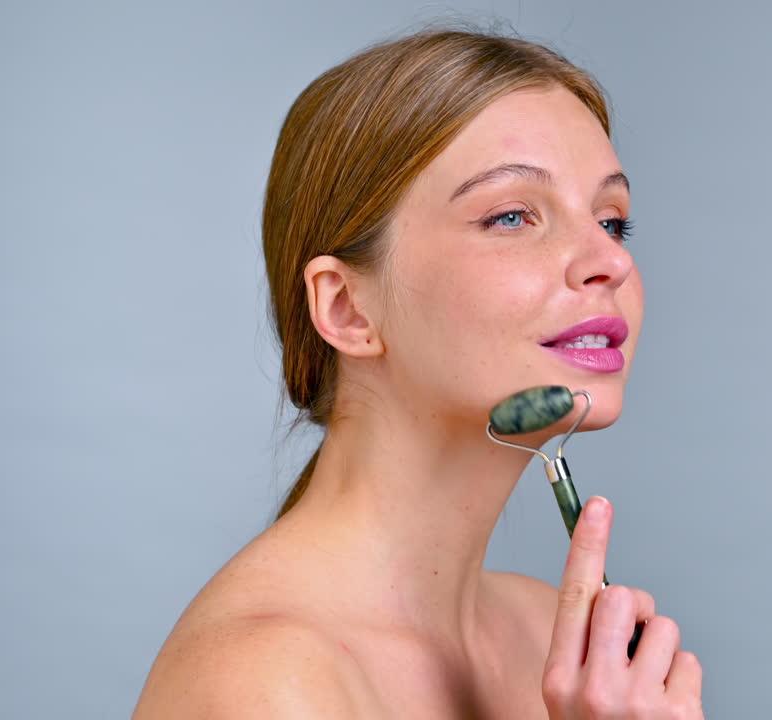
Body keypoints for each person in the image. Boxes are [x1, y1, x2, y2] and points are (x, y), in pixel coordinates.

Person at [133, 27, 703, 719]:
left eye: (612, 222)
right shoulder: (264, 683)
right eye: (513, 216)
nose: (610, 261)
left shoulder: (551, 642)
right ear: (346, 308)